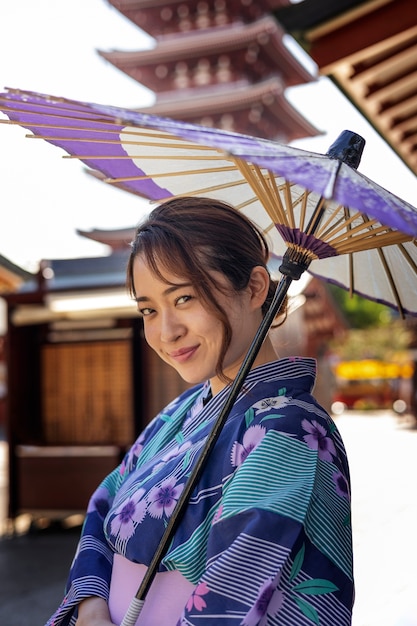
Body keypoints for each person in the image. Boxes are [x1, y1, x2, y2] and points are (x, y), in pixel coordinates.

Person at [46, 196, 354, 626]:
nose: (166, 331)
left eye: (185, 297)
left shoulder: (290, 431)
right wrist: (92, 607)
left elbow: (237, 605)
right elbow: (104, 504)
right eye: (149, 309)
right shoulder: (180, 411)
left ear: (255, 288)